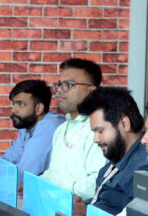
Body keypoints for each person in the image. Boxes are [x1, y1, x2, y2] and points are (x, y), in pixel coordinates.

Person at [75, 87, 148, 216]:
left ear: (124, 124)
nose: (96, 139)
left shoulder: (145, 167)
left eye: (100, 131)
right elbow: (105, 203)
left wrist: (87, 215)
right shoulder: (118, 156)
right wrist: (82, 205)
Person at [39, 58, 109, 201]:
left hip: (78, 209)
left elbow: (95, 182)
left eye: (69, 85)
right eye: (59, 85)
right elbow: (54, 174)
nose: (60, 90)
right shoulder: (61, 129)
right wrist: (35, 183)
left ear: (91, 91)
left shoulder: (98, 130)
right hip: (55, 203)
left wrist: (59, 192)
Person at [2, 79, 64, 180]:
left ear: (39, 108)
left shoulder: (49, 126)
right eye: (13, 104)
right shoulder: (27, 126)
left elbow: (24, 174)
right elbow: (7, 161)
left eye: (21, 104)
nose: (14, 110)